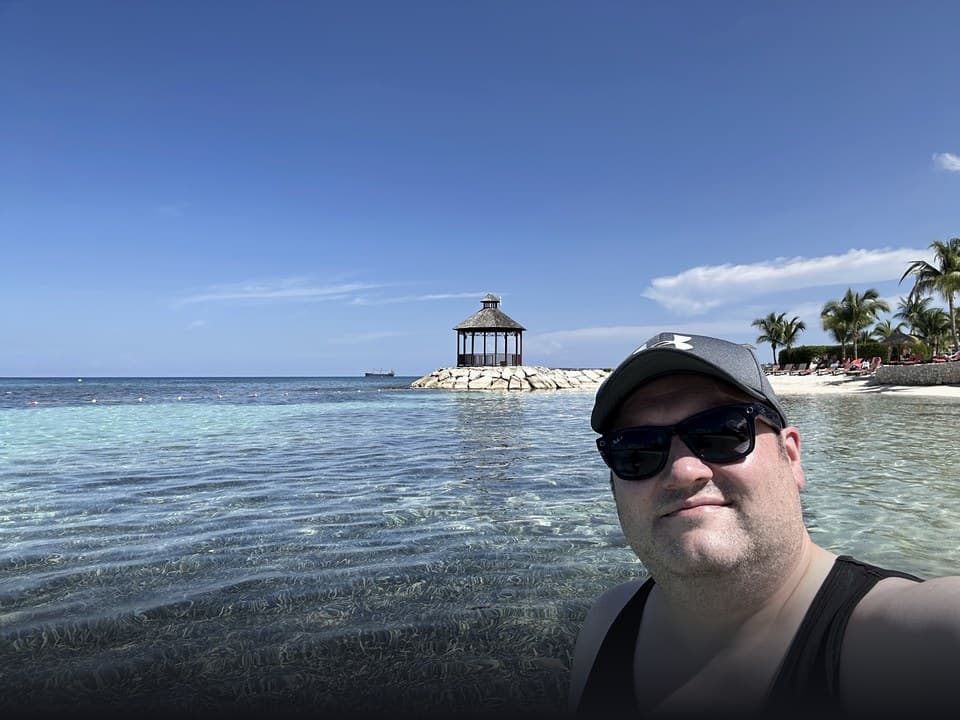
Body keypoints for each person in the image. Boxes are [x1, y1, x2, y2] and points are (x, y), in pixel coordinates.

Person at [569, 332, 960, 718]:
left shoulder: (908, 642)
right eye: (636, 450)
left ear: (791, 458)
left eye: (722, 432)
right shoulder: (608, 621)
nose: (683, 470)